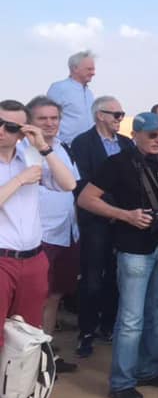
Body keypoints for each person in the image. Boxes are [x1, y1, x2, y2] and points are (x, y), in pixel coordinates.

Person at [77, 112, 158, 398]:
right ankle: (122, 383)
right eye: (152, 135)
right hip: (133, 248)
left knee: (157, 312)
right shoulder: (117, 163)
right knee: (131, 318)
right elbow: (85, 199)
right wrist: (125, 215)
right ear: (135, 135)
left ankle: (148, 370)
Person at [0, 100, 77, 398]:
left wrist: (44, 148)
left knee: (30, 333)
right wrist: (20, 180)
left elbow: (69, 184)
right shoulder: (22, 170)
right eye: (1, 124)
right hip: (2, 258)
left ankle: (25, 395)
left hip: (33, 256)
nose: (4, 132)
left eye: (12, 127)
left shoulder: (29, 156)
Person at [70, 95, 134, 357]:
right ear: (100, 115)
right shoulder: (82, 143)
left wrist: (123, 212)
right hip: (95, 221)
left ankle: (108, 326)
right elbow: (82, 183)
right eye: (116, 114)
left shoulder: (127, 143)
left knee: (117, 276)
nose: (120, 119)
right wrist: (112, 210)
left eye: (122, 114)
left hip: (125, 221)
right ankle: (86, 332)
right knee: (92, 279)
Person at [25, 97, 80, 372]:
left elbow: (71, 185)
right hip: (40, 235)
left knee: (55, 296)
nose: (49, 123)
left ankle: (45, 356)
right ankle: (28, 360)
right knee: (34, 299)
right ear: (29, 122)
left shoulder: (62, 147)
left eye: (54, 118)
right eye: (42, 118)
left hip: (67, 232)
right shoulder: (23, 151)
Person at [45, 50, 96, 145]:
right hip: (66, 146)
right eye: (89, 69)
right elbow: (47, 115)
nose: (93, 73)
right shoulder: (59, 88)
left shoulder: (89, 93)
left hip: (88, 146)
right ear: (75, 68)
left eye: (93, 69)